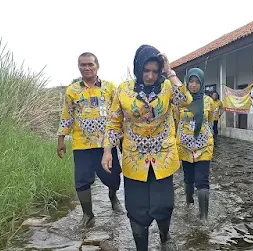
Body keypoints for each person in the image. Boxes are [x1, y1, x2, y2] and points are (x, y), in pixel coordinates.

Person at [101, 45, 192, 251]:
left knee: (163, 205)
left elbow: (185, 100)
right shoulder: (123, 89)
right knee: (136, 208)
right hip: (134, 159)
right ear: (137, 68)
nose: (150, 76)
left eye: (155, 71)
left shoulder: (167, 87)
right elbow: (114, 122)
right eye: (146, 70)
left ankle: (164, 236)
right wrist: (108, 151)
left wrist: (170, 73)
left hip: (164, 157)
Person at [57, 52, 123, 228]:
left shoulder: (110, 88)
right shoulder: (72, 90)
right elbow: (67, 115)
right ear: (79, 67)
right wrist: (61, 138)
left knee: (114, 177)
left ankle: (113, 196)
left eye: (90, 64)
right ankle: (88, 214)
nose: (86, 68)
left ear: (97, 66)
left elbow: (118, 114)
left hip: (106, 144)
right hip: (82, 144)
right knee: (82, 179)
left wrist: (124, 136)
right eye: (82, 65)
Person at [176, 68, 215, 222]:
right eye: (191, 82)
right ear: (187, 83)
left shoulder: (208, 101)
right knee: (188, 177)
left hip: (204, 145)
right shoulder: (181, 100)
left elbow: (210, 119)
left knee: (202, 179)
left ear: (202, 83)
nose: (193, 85)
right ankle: (188, 202)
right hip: (185, 146)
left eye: (197, 82)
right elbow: (175, 120)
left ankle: (204, 217)